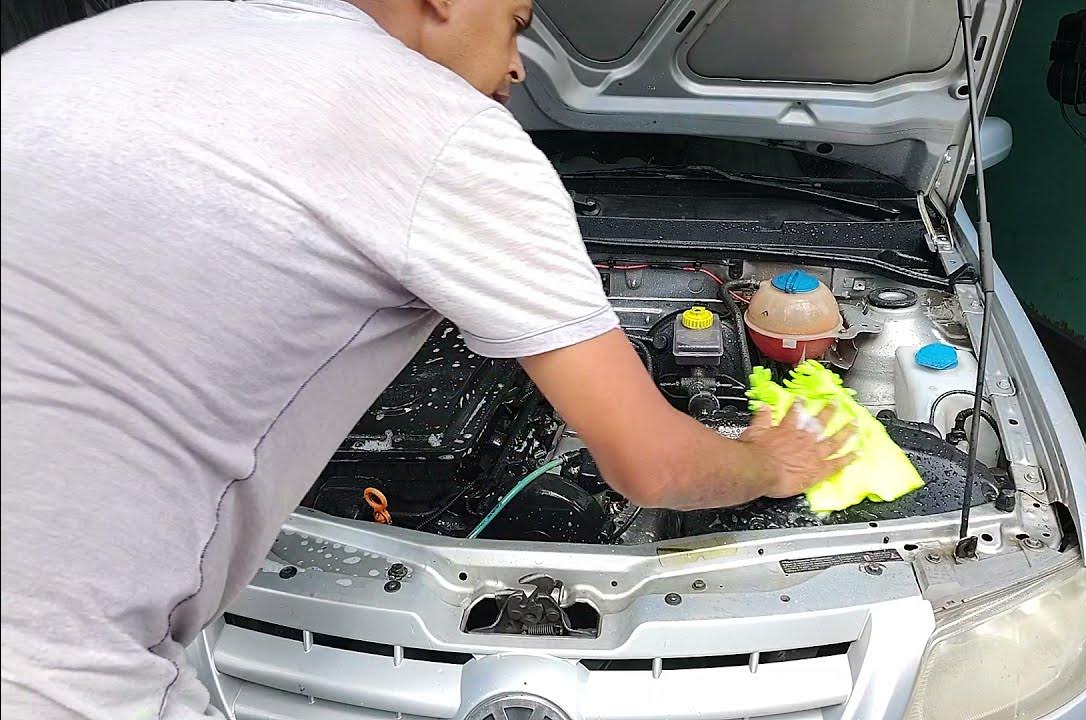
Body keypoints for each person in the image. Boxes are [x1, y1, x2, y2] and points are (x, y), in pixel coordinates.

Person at [0, 0, 855, 716]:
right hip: (59, 672)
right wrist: (768, 462)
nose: (517, 67)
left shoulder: (106, 42)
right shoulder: (438, 127)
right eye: (517, 22)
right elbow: (656, 468)